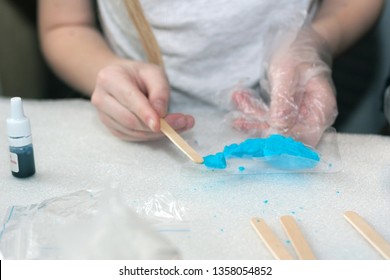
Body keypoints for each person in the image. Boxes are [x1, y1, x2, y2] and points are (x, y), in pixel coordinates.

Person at [38, 0, 384, 146]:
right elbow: (65, 24)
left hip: (301, 95)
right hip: (140, 121)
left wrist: (316, 42)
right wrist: (107, 72)